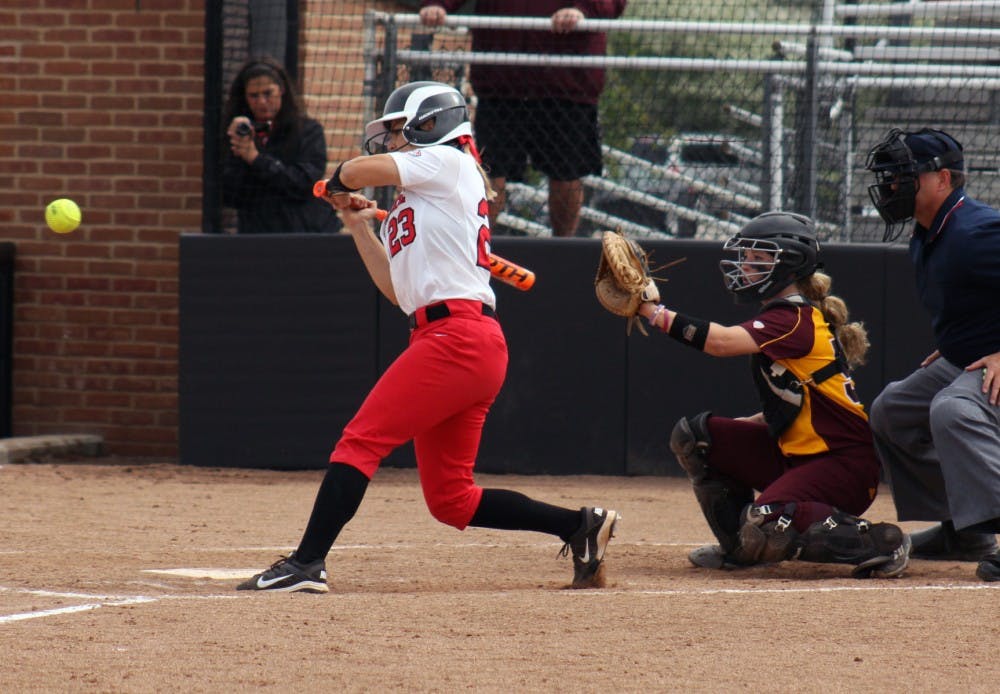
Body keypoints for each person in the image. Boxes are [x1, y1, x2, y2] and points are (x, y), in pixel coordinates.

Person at [237, 81, 619, 593]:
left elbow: (357, 169)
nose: (392, 141)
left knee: (360, 440)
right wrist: (357, 225)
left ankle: (307, 563)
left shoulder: (449, 162)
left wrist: (336, 182)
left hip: (458, 337)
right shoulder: (414, 204)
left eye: (398, 131)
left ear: (431, 122)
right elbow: (397, 292)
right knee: (451, 501)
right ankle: (579, 525)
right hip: (450, 338)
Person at [638, 212, 910, 577]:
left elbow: (720, 342)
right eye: (747, 258)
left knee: (766, 521)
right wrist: (736, 435)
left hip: (844, 469)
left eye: (759, 260)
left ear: (790, 266)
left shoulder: (794, 319)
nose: (746, 266)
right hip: (800, 458)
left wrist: (653, 312)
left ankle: (882, 542)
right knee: (697, 437)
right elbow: (792, 405)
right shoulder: (787, 318)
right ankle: (739, 548)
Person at [864, 127, 1000, 582]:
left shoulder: (976, 232)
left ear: (942, 179)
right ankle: (964, 532)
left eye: (903, 176)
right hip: (969, 356)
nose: (891, 187)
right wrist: (964, 336)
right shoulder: (929, 232)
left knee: (953, 410)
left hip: (991, 363)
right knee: (892, 411)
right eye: (890, 177)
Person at [419, 0, 628, 237]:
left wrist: (581, 10)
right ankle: (477, 250)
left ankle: (564, 249)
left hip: (567, 85)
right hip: (501, 82)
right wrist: (436, 4)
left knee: (566, 174)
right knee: (489, 173)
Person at [221, 56, 339, 234]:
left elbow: (304, 182)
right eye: (253, 96)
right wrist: (237, 151)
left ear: (281, 90)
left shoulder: (308, 131)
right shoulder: (240, 134)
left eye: (268, 93)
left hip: (303, 231)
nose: (261, 102)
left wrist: (257, 159)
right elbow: (229, 194)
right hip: (256, 233)